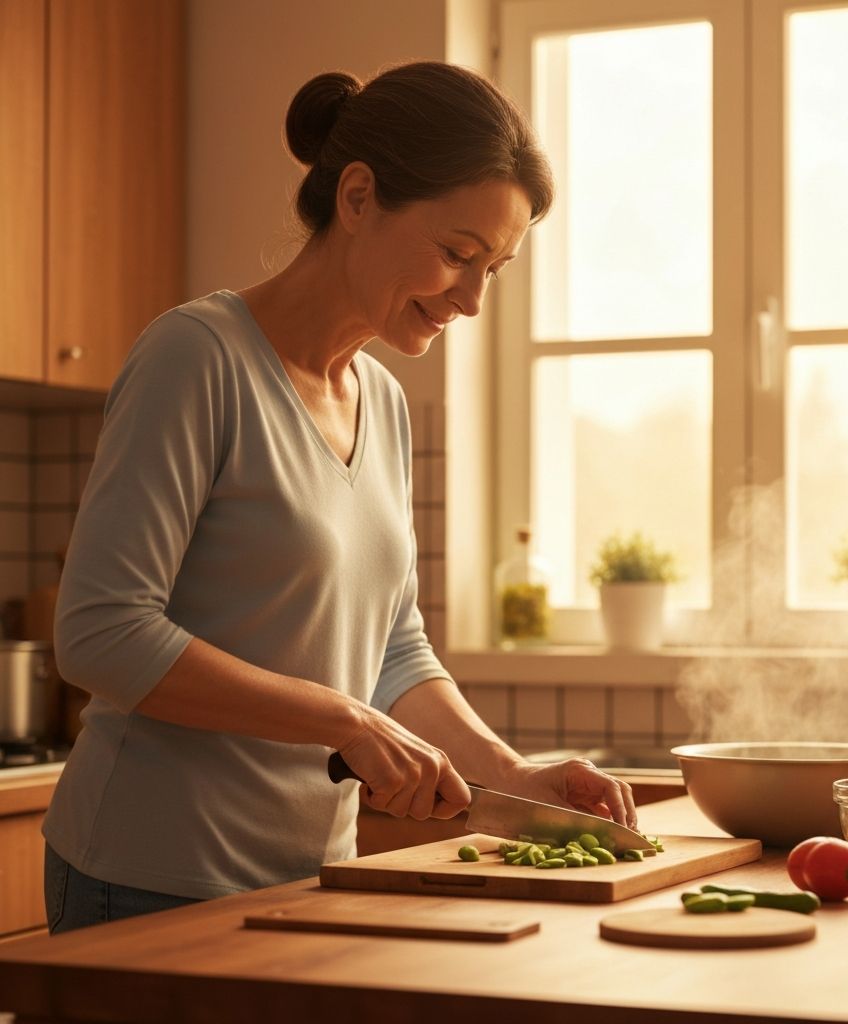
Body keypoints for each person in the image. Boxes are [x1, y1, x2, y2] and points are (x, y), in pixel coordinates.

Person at [42, 60, 637, 934]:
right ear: (356, 197)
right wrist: (342, 720)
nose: (471, 299)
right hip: (146, 875)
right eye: (456, 254)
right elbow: (100, 632)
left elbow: (392, 648)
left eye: (494, 270)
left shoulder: (384, 403)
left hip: (310, 877)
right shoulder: (196, 359)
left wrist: (513, 775)